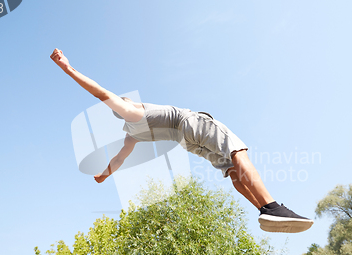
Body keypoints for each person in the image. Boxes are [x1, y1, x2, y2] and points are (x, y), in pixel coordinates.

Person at [50, 48, 313, 233]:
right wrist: (67, 68)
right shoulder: (133, 111)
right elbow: (102, 93)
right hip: (191, 124)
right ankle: (272, 206)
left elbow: (120, 158)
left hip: (189, 144)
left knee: (232, 170)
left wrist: (104, 175)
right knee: (238, 153)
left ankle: (262, 210)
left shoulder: (131, 134)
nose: (125, 101)